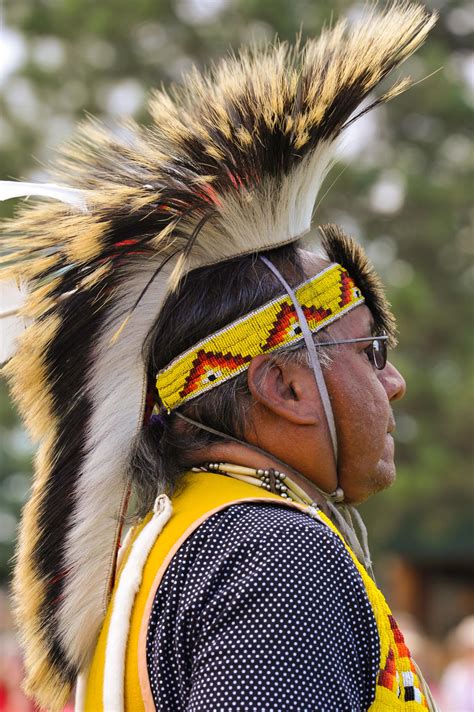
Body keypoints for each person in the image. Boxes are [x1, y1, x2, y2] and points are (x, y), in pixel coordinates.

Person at [0, 3, 441, 710]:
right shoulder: (272, 556)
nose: (395, 383)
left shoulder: (172, 547)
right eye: (373, 350)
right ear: (283, 387)